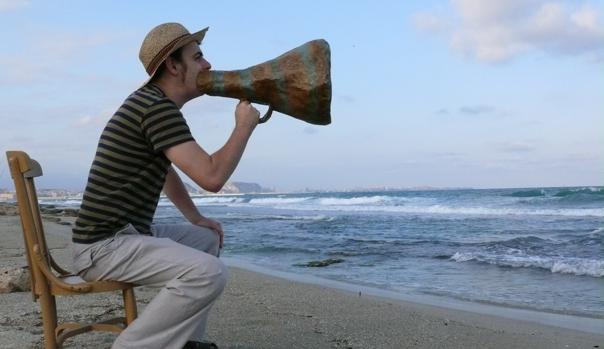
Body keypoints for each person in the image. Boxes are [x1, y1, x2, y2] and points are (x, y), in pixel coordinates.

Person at [71, 22, 260, 349]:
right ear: (173, 66)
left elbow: (166, 171)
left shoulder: (151, 103)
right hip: (102, 247)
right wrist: (244, 127)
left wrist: (195, 218)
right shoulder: (156, 108)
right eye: (197, 57)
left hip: (121, 236)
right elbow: (212, 177)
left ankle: (185, 343)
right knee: (209, 273)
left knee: (205, 239)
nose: (207, 65)